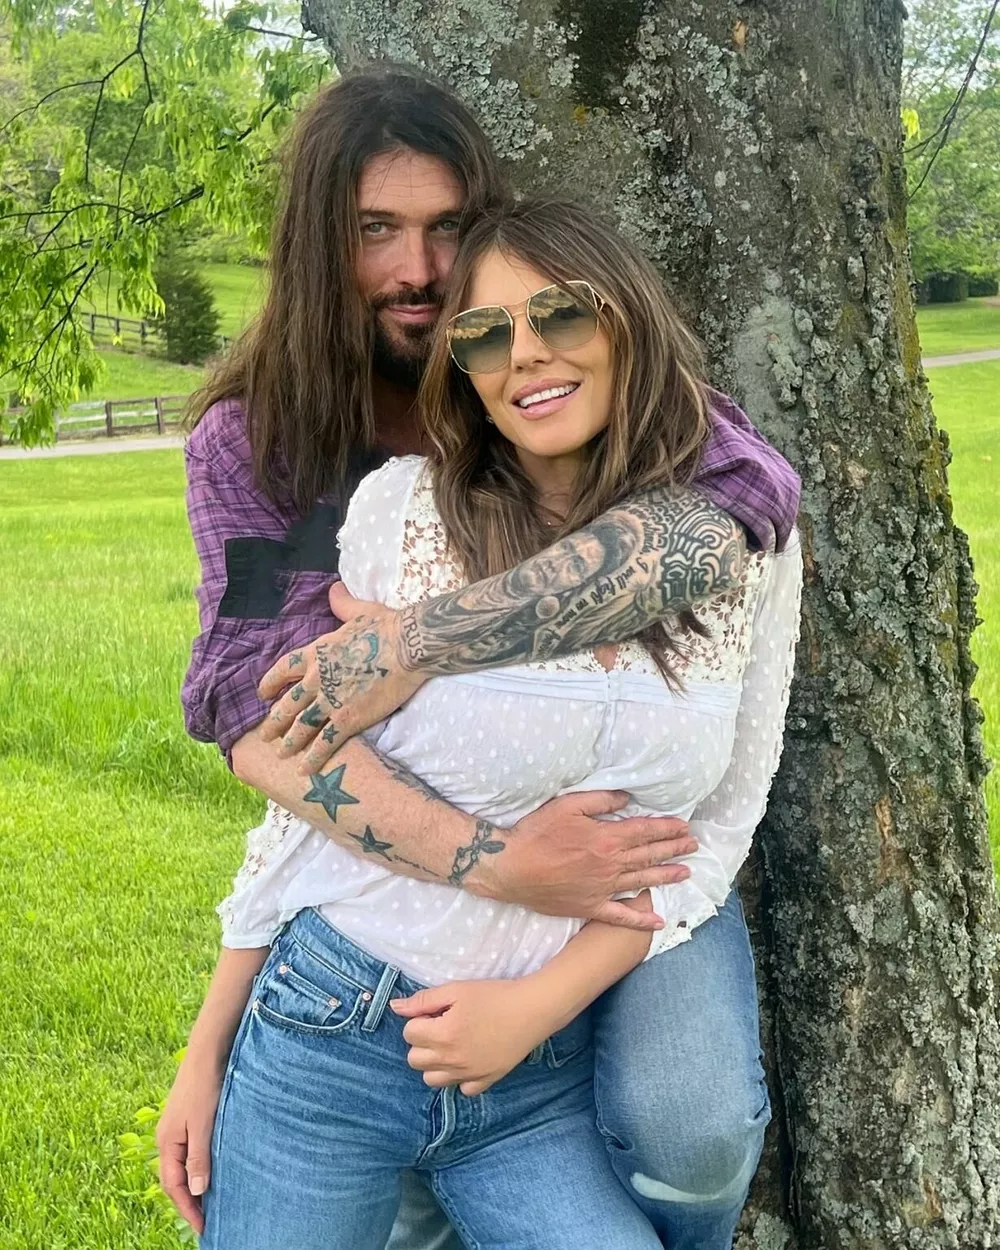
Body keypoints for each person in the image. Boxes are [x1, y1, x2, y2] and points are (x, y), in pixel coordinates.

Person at [158, 68, 801, 1250]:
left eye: (445, 226)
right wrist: (497, 864)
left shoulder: (571, 384)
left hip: (621, 862)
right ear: (317, 243)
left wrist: (421, 639)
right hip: (396, 902)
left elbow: (740, 502)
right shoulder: (267, 446)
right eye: (375, 230)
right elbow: (259, 715)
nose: (415, 268)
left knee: (692, 1115)